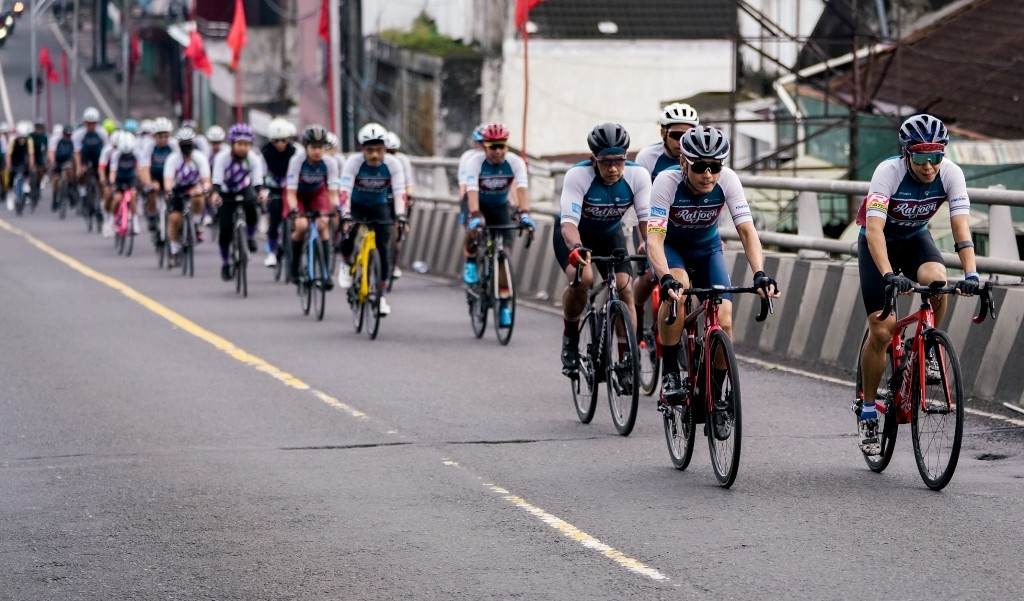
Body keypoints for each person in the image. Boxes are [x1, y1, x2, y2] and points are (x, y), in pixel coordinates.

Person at [855, 113, 979, 455]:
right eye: (921, 156)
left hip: (913, 239)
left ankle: (929, 348)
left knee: (938, 282)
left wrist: (970, 275)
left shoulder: (951, 174)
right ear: (906, 153)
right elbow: (875, 230)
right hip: (876, 243)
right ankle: (867, 411)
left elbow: (961, 229)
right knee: (882, 330)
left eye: (936, 155)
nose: (929, 165)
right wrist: (887, 276)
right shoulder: (888, 172)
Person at [646, 126, 779, 406]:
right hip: (672, 248)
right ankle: (670, 372)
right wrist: (665, 277)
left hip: (708, 249)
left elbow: (746, 231)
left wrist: (759, 273)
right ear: (683, 163)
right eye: (701, 166)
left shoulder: (728, 180)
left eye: (715, 166)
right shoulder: (666, 183)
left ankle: (715, 395)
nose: (708, 174)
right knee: (678, 295)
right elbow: (655, 241)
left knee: (725, 320)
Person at [557, 123, 651, 376]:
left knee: (624, 287)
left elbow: (647, 223)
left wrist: (648, 244)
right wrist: (577, 248)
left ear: (626, 158)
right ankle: (571, 339)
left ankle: (626, 359)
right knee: (583, 280)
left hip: (610, 234)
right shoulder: (578, 176)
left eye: (618, 161)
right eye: (605, 162)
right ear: (593, 160)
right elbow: (568, 224)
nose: (612, 168)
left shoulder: (638, 176)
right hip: (577, 236)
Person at [632, 103, 701, 341]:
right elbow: (639, 201)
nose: (682, 141)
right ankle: (637, 312)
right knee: (651, 274)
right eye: (676, 135)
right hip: (651, 224)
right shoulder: (648, 158)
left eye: (688, 135)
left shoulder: (701, 161)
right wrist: (644, 240)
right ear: (663, 132)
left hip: (686, 225)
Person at [461, 122, 534, 313]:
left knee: (504, 256)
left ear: (507, 146)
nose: (497, 151)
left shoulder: (515, 162)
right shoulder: (474, 162)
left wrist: (525, 213)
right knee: (476, 226)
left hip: (500, 206)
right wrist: (475, 216)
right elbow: (472, 191)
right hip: (477, 203)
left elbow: (522, 189)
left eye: (501, 146)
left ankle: (503, 304)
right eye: (493, 147)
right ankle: (470, 261)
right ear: (485, 146)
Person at [337, 123, 408, 316]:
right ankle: (345, 263)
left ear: (385, 149)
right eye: (369, 151)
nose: (375, 156)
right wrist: (346, 213)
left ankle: (382, 295)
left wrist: (401, 215)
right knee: (348, 234)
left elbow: (401, 192)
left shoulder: (393, 164)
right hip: (357, 205)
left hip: (379, 206)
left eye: (379, 150)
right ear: (362, 150)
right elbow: (345, 191)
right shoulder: (353, 163)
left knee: (384, 247)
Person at [285, 125, 339, 288]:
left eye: (321, 147)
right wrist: (294, 210)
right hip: (298, 195)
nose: (318, 151)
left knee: (322, 224)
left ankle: (325, 273)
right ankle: (293, 268)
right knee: (301, 226)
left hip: (317, 194)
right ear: (306, 147)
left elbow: (332, 192)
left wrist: (336, 208)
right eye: (314, 147)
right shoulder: (296, 161)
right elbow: (291, 192)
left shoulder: (330, 162)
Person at [211, 123, 264, 281]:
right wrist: (215, 195)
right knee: (225, 229)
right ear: (233, 144)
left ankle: (250, 237)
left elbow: (257, 180)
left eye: (246, 144)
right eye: (240, 144)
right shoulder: (222, 158)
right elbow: (217, 180)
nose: (243, 148)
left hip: (244, 189)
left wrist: (261, 193)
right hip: (226, 192)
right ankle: (226, 263)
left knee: (252, 209)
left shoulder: (253, 158)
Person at [163, 126, 211, 267]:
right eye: (183, 145)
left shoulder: (199, 158)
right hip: (177, 191)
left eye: (188, 144)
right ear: (178, 145)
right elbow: (168, 180)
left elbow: (206, 178)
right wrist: (169, 190)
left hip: (193, 188)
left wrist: (205, 188)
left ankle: (195, 225)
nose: (186, 148)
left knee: (199, 198)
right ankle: (174, 252)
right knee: (174, 219)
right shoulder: (173, 159)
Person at [260, 117, 300, 268]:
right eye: (276, 141)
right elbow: (261, 174)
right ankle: (271, 253)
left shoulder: (296, 152)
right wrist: (263, 191)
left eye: (283, 140)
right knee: (275, 216)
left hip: (291, 188)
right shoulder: (265, 153)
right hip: (274, 188)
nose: (280, 144)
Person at [138, 116, 178, 232]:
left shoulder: (174, 145)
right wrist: (147, 183)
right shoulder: (149, 146)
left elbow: (179, 165)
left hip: (170, 176)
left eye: (166, 136)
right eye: (160, 136)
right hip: (155, 175)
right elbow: (144, 167)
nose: (163, 139)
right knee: (153, 190)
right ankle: (151, 214)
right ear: (154, 136)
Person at [384, 130, 414, 279]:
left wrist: (409, 197)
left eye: (393, 151)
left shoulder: (401, 161)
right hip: (380, 196)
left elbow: (408, 184)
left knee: (398, 230)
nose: (390, 155)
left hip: (396, 195)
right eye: (387, 151)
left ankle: (394, 262)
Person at [72, 107, 109, 207]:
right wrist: (79, 167)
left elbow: (107, 151)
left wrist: (103, 167)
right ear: (84, 123)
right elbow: (77, 152)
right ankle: (82, 192)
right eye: (88, 123)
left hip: (99, 157)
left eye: (93, 123)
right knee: (81, 172)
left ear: (97, 123)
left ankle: (101, 204)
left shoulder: (102, 133)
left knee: (101, 180)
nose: (90, 126)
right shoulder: (78, 134)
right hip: (85, 156)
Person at [106, 132, 140, 229]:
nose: (127, 155)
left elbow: (139, 170)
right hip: (119, 179)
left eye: (129, 153)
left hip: (130, 178)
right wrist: (112, 183)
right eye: (125, 154)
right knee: (117, 198)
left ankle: (135, 221)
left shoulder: (136, 154)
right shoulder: (116, 155)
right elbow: (113, 171)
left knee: (133, 195)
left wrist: (140, 182)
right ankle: (111, 221)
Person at [48, 125, 76, 209]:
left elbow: (76, 153)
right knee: (56, 179)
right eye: (66, 135)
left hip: (68, 161)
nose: (67, 137)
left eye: (69, 135)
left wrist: (73, 164)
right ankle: (54, 197)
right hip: (58, 161)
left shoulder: (73, 141)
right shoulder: (57, 140)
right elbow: (51, 151)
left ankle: (71, 190)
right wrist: (53, 162)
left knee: (70, 171)